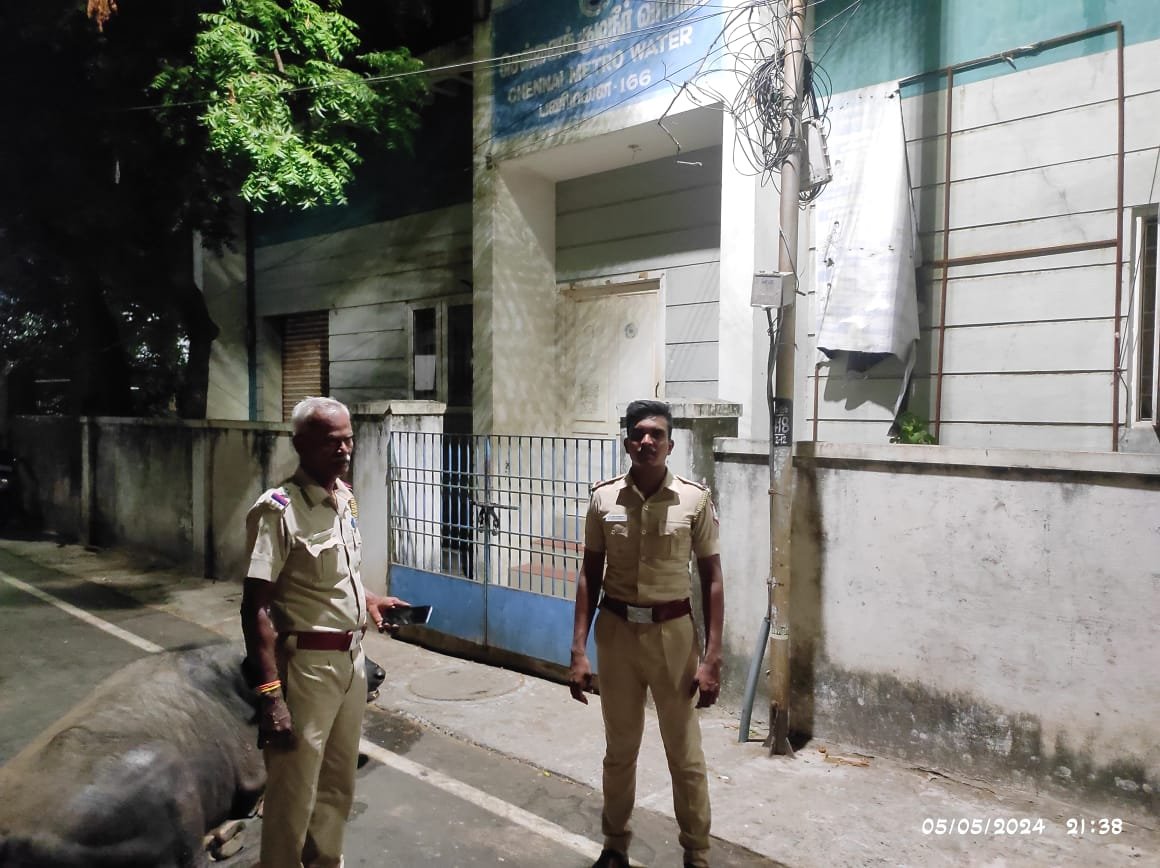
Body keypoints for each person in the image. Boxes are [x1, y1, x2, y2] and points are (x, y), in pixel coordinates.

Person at [240, 396, 407, 868]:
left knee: (337, 784)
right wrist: (271, 695)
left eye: (349, 438)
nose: (344, 449)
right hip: (306, 668)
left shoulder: (344, 498)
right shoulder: (278, 510)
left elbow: (338, 576)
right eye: (331, 441)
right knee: (295, 790)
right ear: (300, 444)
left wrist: (372, 601)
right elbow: (256, 607)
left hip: (352, 663)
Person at [569, 399, 725, 868]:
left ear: (671, 443)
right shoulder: (604, 499)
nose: (647, 441)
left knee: (685, 753)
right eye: (638, 434)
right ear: (627, 443)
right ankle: (615, 844)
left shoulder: (694, 500)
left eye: (656, 434)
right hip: (616, 634)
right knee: (620, 750)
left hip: (673, 637)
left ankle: (696, 852)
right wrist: (578, 649)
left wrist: (712, 657)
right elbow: (588, 573)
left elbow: (713, 577)